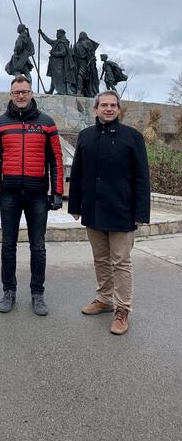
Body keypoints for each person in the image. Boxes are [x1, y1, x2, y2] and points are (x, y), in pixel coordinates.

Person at [68, 90, 150, 335]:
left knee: (121, 262)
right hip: (94, 210)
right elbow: (78, 173)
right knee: (101, 259)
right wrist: (74, 205)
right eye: (104, 105)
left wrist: (141, 212)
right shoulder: (85, 136)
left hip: (122, 211)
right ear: (96, 109)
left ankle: (122, 309)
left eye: (113, 105)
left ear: (118, 109)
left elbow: (142, 178)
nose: (109, 109)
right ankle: (104, 299)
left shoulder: (132, 137)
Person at [0, 75, 64, 315]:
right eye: (17, 92)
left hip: (37, 195)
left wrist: (57, 192)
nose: (21, 95)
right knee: (8, 245)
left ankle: (37, 294)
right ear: (11, 94)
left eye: (25, 91)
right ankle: (8, 291)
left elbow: (56, 159)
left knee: (38, 247)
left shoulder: (47, 123)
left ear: (31, 94)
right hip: (9, 194)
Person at [39, 28, 76, 95]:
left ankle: (62, 91)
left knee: (59, 79)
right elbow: (49, 41)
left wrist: (54, 53)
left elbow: (63, 52)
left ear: (61, 34)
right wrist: (42, 34)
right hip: (55, 64)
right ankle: (51, 91)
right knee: (54, 77)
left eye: (57, 33)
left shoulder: (63, 42)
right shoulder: (57, 41)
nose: (56, 34)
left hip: (60, 65)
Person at [73, 31, 99, 97]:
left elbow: (91, 52)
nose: (80, 35)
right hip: (77, 63)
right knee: (77, 77)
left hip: (85, 62)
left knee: (80, 76)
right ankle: (80, 91)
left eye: (81, 34)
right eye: (79, 34)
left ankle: (79, 91)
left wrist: (89, 52)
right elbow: (73, 54)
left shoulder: (87, 42)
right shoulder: (76, 44)